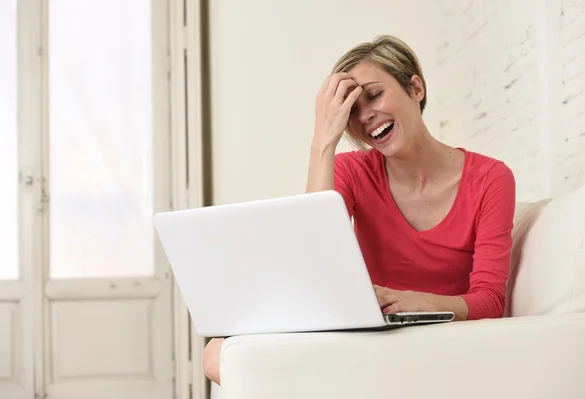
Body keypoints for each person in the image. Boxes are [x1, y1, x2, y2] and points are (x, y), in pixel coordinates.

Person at [203, 35, 516, 385]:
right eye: (351, 110)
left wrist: (416, 302)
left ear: (416, 88)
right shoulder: (352, 170)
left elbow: (489, 302)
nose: (366, 116)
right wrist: (323, 140)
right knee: (217, 354)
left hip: (438, 339)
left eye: (374, 95)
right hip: (364, 335)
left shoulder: (490, 178)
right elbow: (313, 261)